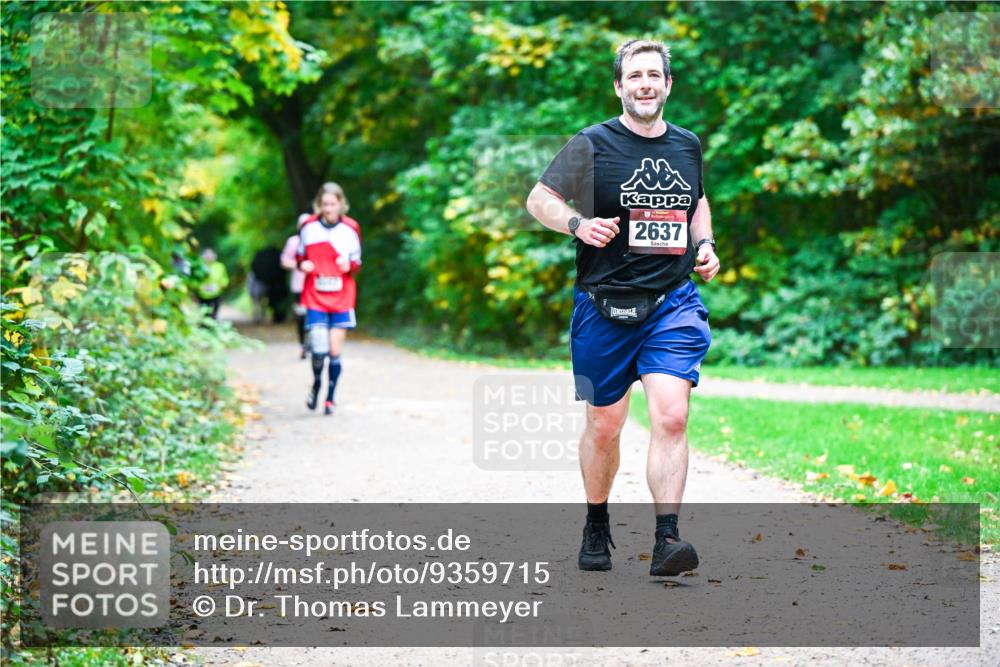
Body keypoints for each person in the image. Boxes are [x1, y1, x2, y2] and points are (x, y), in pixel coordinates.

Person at [525, 39, 720, 576]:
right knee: (605, 426)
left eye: (654, 75)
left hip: (671, 301)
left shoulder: (686, 145)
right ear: (619, 86)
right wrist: (578, 224)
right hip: (603, 305)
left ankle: (667, 540)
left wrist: (704, 246)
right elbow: (538, 199)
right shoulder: (591, 143)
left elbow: (696, 203)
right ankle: (595, 520)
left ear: (668, 85)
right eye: (635, 75)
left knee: (672, 415)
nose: (645, 83)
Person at [296, 182, 362, 416]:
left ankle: (330, 398)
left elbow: (357, 262)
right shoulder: (308, 227)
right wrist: (303, 264)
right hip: (315, 295)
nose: (328, 209)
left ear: (341, 204)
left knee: (334, 350)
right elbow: (299, 255)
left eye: (333, 204)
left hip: (342, 296)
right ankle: (316, 383)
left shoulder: (351, 228)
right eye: (324, 204)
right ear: (319, 205)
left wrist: (349, 266)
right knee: (319, 348)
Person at [281, 214, 312, 359]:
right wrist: (299, 265)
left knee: (315, 314)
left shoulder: (317, 240)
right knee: (301, 316)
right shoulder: (293, 242)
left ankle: (314, 343)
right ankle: (302, 345)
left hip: (316, 285)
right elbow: (284, 261)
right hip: (299, 285)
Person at [196, 248, 229, 319]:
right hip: (203, 294)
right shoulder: (199, 266)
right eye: (207, 254)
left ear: (214, 256)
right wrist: (200, 287)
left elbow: (225, 278)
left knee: (214, 313)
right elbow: (195, 279)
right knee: (204, 313)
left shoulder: (220, 266)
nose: (209, 256)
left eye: (210, 254)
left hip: (216, 293)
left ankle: (212, 325)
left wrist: (222, 285)